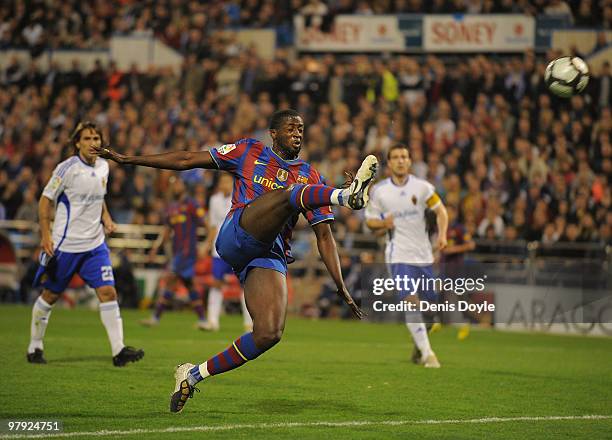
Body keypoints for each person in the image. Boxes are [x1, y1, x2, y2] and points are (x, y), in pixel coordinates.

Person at [97, 109, 378, 413]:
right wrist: (129, 160)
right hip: (236, 234)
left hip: (265, 254)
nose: (297, 133)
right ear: (273, 133)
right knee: (289, 194)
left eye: (301, 129)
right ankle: (346, 196)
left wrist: (341, 287)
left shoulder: (310, 174)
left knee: (269, 333)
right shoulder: (249, 151)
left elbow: (324, 236)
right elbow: (187, 159)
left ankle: (192, 375)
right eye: (290, 128)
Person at [27, 121, 144, 367]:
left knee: (108, 292)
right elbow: (45, 201)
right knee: (50, 295)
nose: (94, 143)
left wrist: (107, 218)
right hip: (66, 245)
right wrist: (46, 236)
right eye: (88, 139)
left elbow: (98, 197)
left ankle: (118, 350)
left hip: (94, 246)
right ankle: (34, 346)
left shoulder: (103, 167)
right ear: (77, 143)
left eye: (96, 138)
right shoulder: (66, 168)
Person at [365, 143, 448, 368]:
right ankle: (429, 354)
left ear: (410, 161)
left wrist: (442, 235)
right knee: (410, 301)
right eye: (396, 157)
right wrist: (383, 223)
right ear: (389, 163)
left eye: (404, 156)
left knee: (431, 308)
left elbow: (441, 211)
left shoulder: (422, 188)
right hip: (397, 254)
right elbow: (370, 221)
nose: (401, 160)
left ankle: (419, 345)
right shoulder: (380, 191)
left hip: (422, 255)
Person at [140, 175, 208, 329]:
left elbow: (207, 224)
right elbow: (167, 230)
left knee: (171, 279)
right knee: (188, 284)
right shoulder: (171, 207)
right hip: (177, 251)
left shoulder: (192, 204)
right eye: (173, 184)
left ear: (184, 186)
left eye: (177, 184)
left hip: (187, 251)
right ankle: (203, 319)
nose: (175, 187)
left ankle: (156, 317)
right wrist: (156, 248)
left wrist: (205, 245)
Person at [201, 172, 253, 332]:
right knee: (216, 284)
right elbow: (213, 225)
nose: (224, 184)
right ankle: (212, 321)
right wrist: (207, 244)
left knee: (245, 285)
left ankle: (249, 323)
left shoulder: (241, 198)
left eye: (227, 182)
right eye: (222, 181)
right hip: (219, 249)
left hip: (238, 248)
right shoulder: (214, 200)